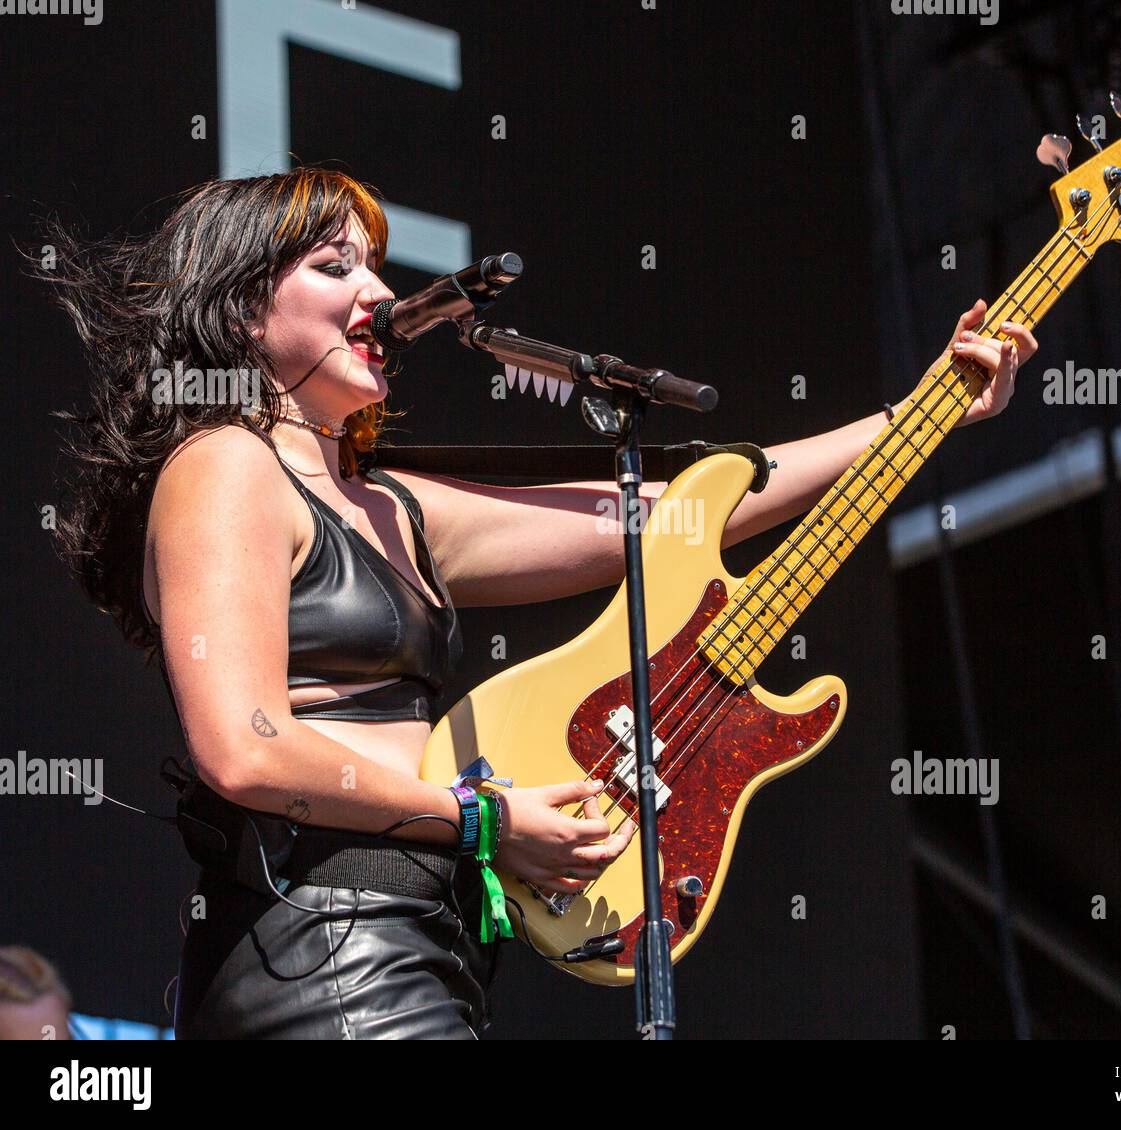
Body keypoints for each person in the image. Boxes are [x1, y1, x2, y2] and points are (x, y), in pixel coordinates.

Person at [29, 167, 1032, 1039]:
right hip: (322, 949)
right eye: (334, 266)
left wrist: (922, 412)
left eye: (375, 264)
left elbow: (665, 518)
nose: (376, 288)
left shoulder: (392, 505)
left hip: (431, 946)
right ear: (245, 310)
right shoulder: (223, 464)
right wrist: (481, 817)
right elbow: (244, 747)